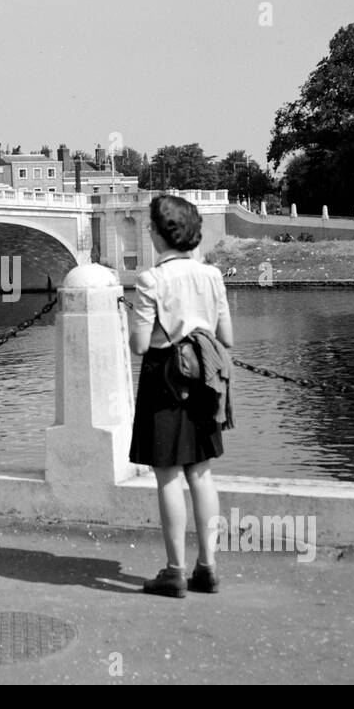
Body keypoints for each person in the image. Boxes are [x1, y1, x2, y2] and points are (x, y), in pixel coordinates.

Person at [127, 195, 234, 598]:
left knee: (169, 475)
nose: (150, 233)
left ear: (159, 234)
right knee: (201, 473)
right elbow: (227, 338)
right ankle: (208, 568)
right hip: (205, 376)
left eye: (152, 228)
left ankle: (175, 572)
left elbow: (140, 345)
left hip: (164, 378)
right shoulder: (212, 276)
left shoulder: (150, 280)